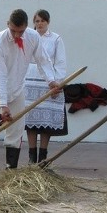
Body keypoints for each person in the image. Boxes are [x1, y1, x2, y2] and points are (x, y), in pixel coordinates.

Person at [0, 9, 60, 178]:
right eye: (13, 31)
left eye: (21, 31)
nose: (17, 35)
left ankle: (10, 172)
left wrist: (51, 81)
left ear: (27, 27)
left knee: (16, 131)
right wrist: (3, 105)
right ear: (8, 25)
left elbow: (43, 59)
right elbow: (0, 74)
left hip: (17, 89)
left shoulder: (33, 37)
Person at [24, 9, 68, 164]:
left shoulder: (56, 39)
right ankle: (31, 155)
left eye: (42, 21)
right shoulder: (28, 37)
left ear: (48, 22)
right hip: (30, 80)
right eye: (37, 21)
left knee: (46, 120)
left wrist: (58, 82)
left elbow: (60, 62)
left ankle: (43, 155)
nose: (40, 23)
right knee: (30, 119)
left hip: (49, 82)